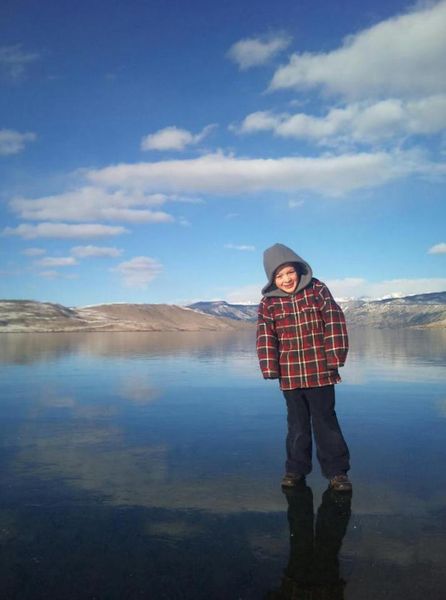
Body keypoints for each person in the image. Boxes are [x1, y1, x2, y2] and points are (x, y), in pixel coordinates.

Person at [256, 243, 351, 492]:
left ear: (299, 269)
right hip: (290, 374)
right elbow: (266, 336)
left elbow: (334, 320)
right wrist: (270, 368)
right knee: (297, 424)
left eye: (289, 272)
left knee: (325, 422)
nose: (286, 279)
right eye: (279, 275)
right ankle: (295, 469)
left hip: (320, 370)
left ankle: (337, 472)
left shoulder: (316, 289)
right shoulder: (268, 303)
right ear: (272, 278)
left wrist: (335, 357)